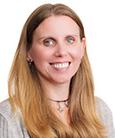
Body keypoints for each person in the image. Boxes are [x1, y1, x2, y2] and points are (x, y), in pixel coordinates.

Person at [0, 3, 115, 138]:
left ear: (83, 46)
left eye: (70, 40)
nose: (61, 52)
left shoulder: (100, 111)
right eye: (48, 42)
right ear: (28, 51)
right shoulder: (9, 117)